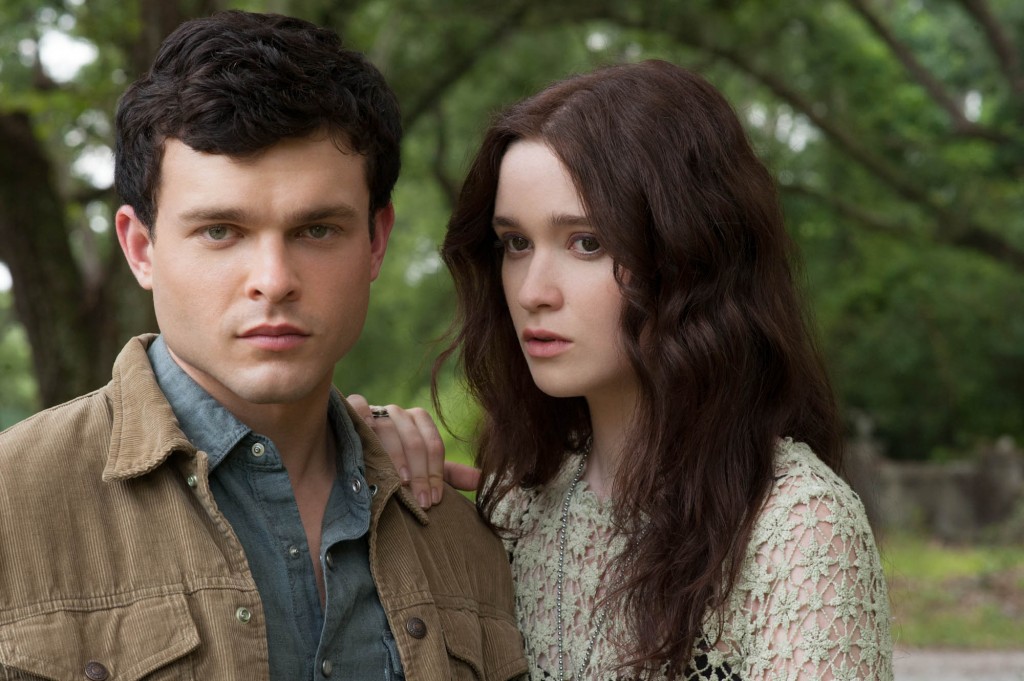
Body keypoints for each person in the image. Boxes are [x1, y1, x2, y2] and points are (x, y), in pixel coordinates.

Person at [0, 11, 525, 680]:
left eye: (315, 230)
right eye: (221, 230)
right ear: (140, 248)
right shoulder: (12, 506)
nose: (273, 281)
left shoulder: (465, 536)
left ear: (376, 240)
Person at [366, 59, 893, 680]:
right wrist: (358, 454)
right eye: (516, 243)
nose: (533, 290)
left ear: (690, 255)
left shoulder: (797, 526)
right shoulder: (517, 508)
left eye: (587, 242)